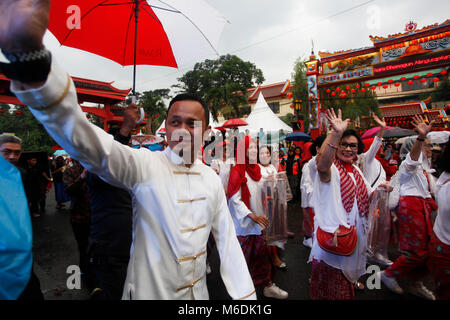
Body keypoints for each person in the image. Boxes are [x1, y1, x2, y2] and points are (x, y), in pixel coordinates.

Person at [2, 2, 255, 299]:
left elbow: (226, 241)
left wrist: (245, 298)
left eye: (192, 123)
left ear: (207, 133)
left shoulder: (212, 179)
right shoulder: (144, 166)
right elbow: (88, 141)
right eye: (175, 122)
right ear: (166, 128)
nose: (183, 129)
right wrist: (31, 59)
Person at [309, 109, 391, 300]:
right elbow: (322, 166)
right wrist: (335, 133)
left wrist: (381, 190)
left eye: (353, 146)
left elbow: (368, 196)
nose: (348, 149)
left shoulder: (356, 170)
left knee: (346, 285)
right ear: (336, 147)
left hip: (354, 239)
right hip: (334, 242)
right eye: (343, 145)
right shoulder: (331, 169)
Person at [379, 115, 437, 300]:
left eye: (428, 144)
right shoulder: (407, 165)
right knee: (417, 252)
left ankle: (415, 283)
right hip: (411, 208)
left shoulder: (426, 169)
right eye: (427, 145)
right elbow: (413, 160)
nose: (431, 148)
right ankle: (387, 275)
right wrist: (420, 138)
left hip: (424, 209)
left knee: (428, 251)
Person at [227, 137, 288, 299]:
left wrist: (276, 188)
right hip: (244, 225)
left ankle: (267, 285)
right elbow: (234, 198)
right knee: (243, 261)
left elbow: (265, 193)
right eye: (250, 148)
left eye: (255, 148)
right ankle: (240, 291)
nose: (254, 151)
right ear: (243, 151)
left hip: (261, 223)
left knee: (263, 258)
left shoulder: (258, 170)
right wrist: (251, 215)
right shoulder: (237, 170)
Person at [85, 115, 134, 300]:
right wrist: (124, 131)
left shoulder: (129, 171)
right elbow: (111, 164)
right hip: (109, 251)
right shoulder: (96, 169)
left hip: (130, 246)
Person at [0, 134, 44, 300]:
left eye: (16, 153)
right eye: (6, 152)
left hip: (21, 246)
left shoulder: (21, 174)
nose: (12, 156)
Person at [63, 159, 94, 292]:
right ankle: (86, 274)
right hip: (79, 216)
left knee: (95, 246)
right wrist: (81, 177)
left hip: (96, 216)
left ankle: (94, 274)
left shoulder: (98, 168)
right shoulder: (71, 170)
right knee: (83, 246)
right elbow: (68, 191)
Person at [258, 145, 287, 271]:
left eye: (267, 153)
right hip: (261, 205)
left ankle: (274, 256)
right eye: (262, 153)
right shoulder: (256, 168)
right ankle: (269, 258)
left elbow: (278, 185)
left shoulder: (273, 168)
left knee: (274, 230)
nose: (265, 155)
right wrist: (266, 182)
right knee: (265, 232)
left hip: (274, 203)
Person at [427, 138, 450, 299]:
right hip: (444, 246)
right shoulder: (445, 181)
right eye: (428, 147)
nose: (430, 150)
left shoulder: (441, 178)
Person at [300, 135, 326, 249]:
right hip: (312, 200)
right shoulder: (309, 164)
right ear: (317, 148)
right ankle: (309, 238)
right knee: (311, 221)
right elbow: (307, 184)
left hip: (323, 200)